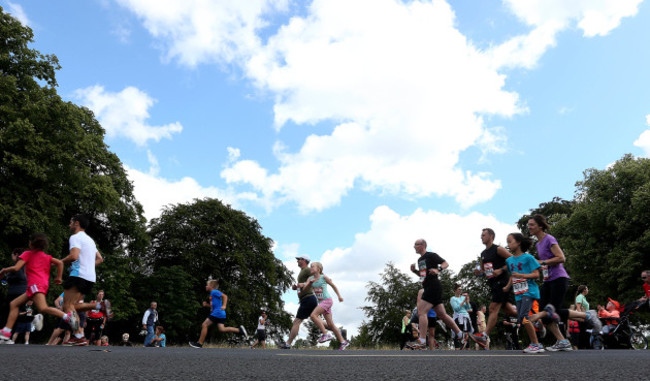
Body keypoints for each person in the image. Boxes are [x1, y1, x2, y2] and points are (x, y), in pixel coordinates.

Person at [526, 214, 601, 352]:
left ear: (540, 226)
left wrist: (542, 262)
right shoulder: (538, 244)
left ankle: (588, 315)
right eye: (528, 225)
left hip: (559, 278)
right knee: (546, 314)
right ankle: (562, 341)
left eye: (532, 224)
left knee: (552, 311)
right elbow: (544, 264)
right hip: (548, 280)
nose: (529, 227)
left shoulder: (549, 239)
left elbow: (561, 258)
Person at [407, 239, 485, 349]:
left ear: (423, 245)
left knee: (421, 312)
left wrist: (438, 269)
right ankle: (461, 335)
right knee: (442, 315)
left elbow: (445, 263)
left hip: (433, 286)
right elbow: (423, 275)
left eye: (416, 244)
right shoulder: (420, 259)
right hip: (429, 286)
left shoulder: (431, 255)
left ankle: (422, 340)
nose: (414, 246)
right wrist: (415, 271)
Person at [0, 233, 74, 344]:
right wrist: (59, 278)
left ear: (32, 244)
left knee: (43, 308)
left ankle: (67, 317)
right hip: (39, 285)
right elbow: (60, 263)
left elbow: (16, 268)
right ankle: (6, 332)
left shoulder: (27, 254)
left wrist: (4, 270)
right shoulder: (46, 256)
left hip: (35, 285)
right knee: (14, 304)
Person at [60, 214, 105, 346]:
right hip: (90, 277)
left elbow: (74, 256)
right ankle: (98, 305)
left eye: (71, 222)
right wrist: (88, 266)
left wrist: (59, 262)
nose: (69, 225)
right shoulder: (90, 240)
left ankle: (78, 336)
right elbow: (100, 259)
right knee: (72, 306)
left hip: (78, 275)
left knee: (67, 306)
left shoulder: (75, 237)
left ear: (76, 223)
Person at [503, 233, 543, 353]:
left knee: (524, 317)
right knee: (521, 318)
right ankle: (538, 323)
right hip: (518, 292)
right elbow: (513, 276)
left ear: (519, 242)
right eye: (507, 242)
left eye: (510, 241)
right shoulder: (509, 260)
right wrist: (507, 286)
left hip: (529, 291)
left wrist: (522, 275)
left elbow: (536, 274)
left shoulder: (528, 258)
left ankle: (535, 344)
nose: (508, 244)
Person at [475, 228, 517, 342]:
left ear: (491, 236)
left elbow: (513, 261)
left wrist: (501, 270)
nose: (481, 237)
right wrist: (479, 273)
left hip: (502, 282)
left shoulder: (498, 249)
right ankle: (533, 319)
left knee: (493, 308)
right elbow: (484, 271)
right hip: (493, 284)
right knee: (510, 311)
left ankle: (484, 336)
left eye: (483, 235)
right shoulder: (483, 254)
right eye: (481, 235)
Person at [303, 261, 350, 350]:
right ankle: (343, 342)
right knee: (330, 324)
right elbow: (305, 290)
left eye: (312, 267)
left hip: (327, 300)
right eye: (310, 267)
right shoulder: (310, 279)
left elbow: (333, 286)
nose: (310, 268)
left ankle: (325, 334)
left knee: (313, 315)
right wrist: (309, 284)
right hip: (321, 303)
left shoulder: (323, 277)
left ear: (318, 269)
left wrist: (339, 296)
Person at [189, 279, 248, 348]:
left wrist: (224, 305)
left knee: (204, 325)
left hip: (217, 312)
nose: (206, 286)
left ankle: (199, 343)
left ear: (211, 286)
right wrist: (207, 305)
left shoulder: (214, 291)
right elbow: (214, 306)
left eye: (207, 285)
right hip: (220, 313)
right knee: (222, 329)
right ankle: (239, 330)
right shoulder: (212, 294)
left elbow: (225, 296)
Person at [279, 255, 319, 349]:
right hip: (308, 299)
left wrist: (304, 284)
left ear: (304, 260)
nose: (297, 261)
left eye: (299, 259)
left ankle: (288, 344)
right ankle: (337, 331)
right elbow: (306, 283)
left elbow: (318, 275)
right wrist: (296, 287)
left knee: (297, 321)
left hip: (308, 298)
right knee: (317, 321)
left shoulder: (307, 270)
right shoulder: (302, 271)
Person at [0, 248, 27, 328]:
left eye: (12, 255)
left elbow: (21, 277)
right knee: (14, 313)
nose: (11, 257)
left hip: (16, 293)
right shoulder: (24, 266)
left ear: (17, 255)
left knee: (7, 313)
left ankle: (30, 318)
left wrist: (7, 277)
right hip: (22, 292)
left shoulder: (17, 266)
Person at [450, 284, 473, 349]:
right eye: (459, 289)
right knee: (457, 334)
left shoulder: (463, 298)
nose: (460, 290)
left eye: (461, 289)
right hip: (458, 317)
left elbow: (469, 309)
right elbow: (456, 308)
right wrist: (463, 301)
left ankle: (468, 350)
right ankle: (457, 350)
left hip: (465, 316)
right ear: (455, 290)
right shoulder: (453, 299)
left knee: (466, 335)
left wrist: (468, 302)